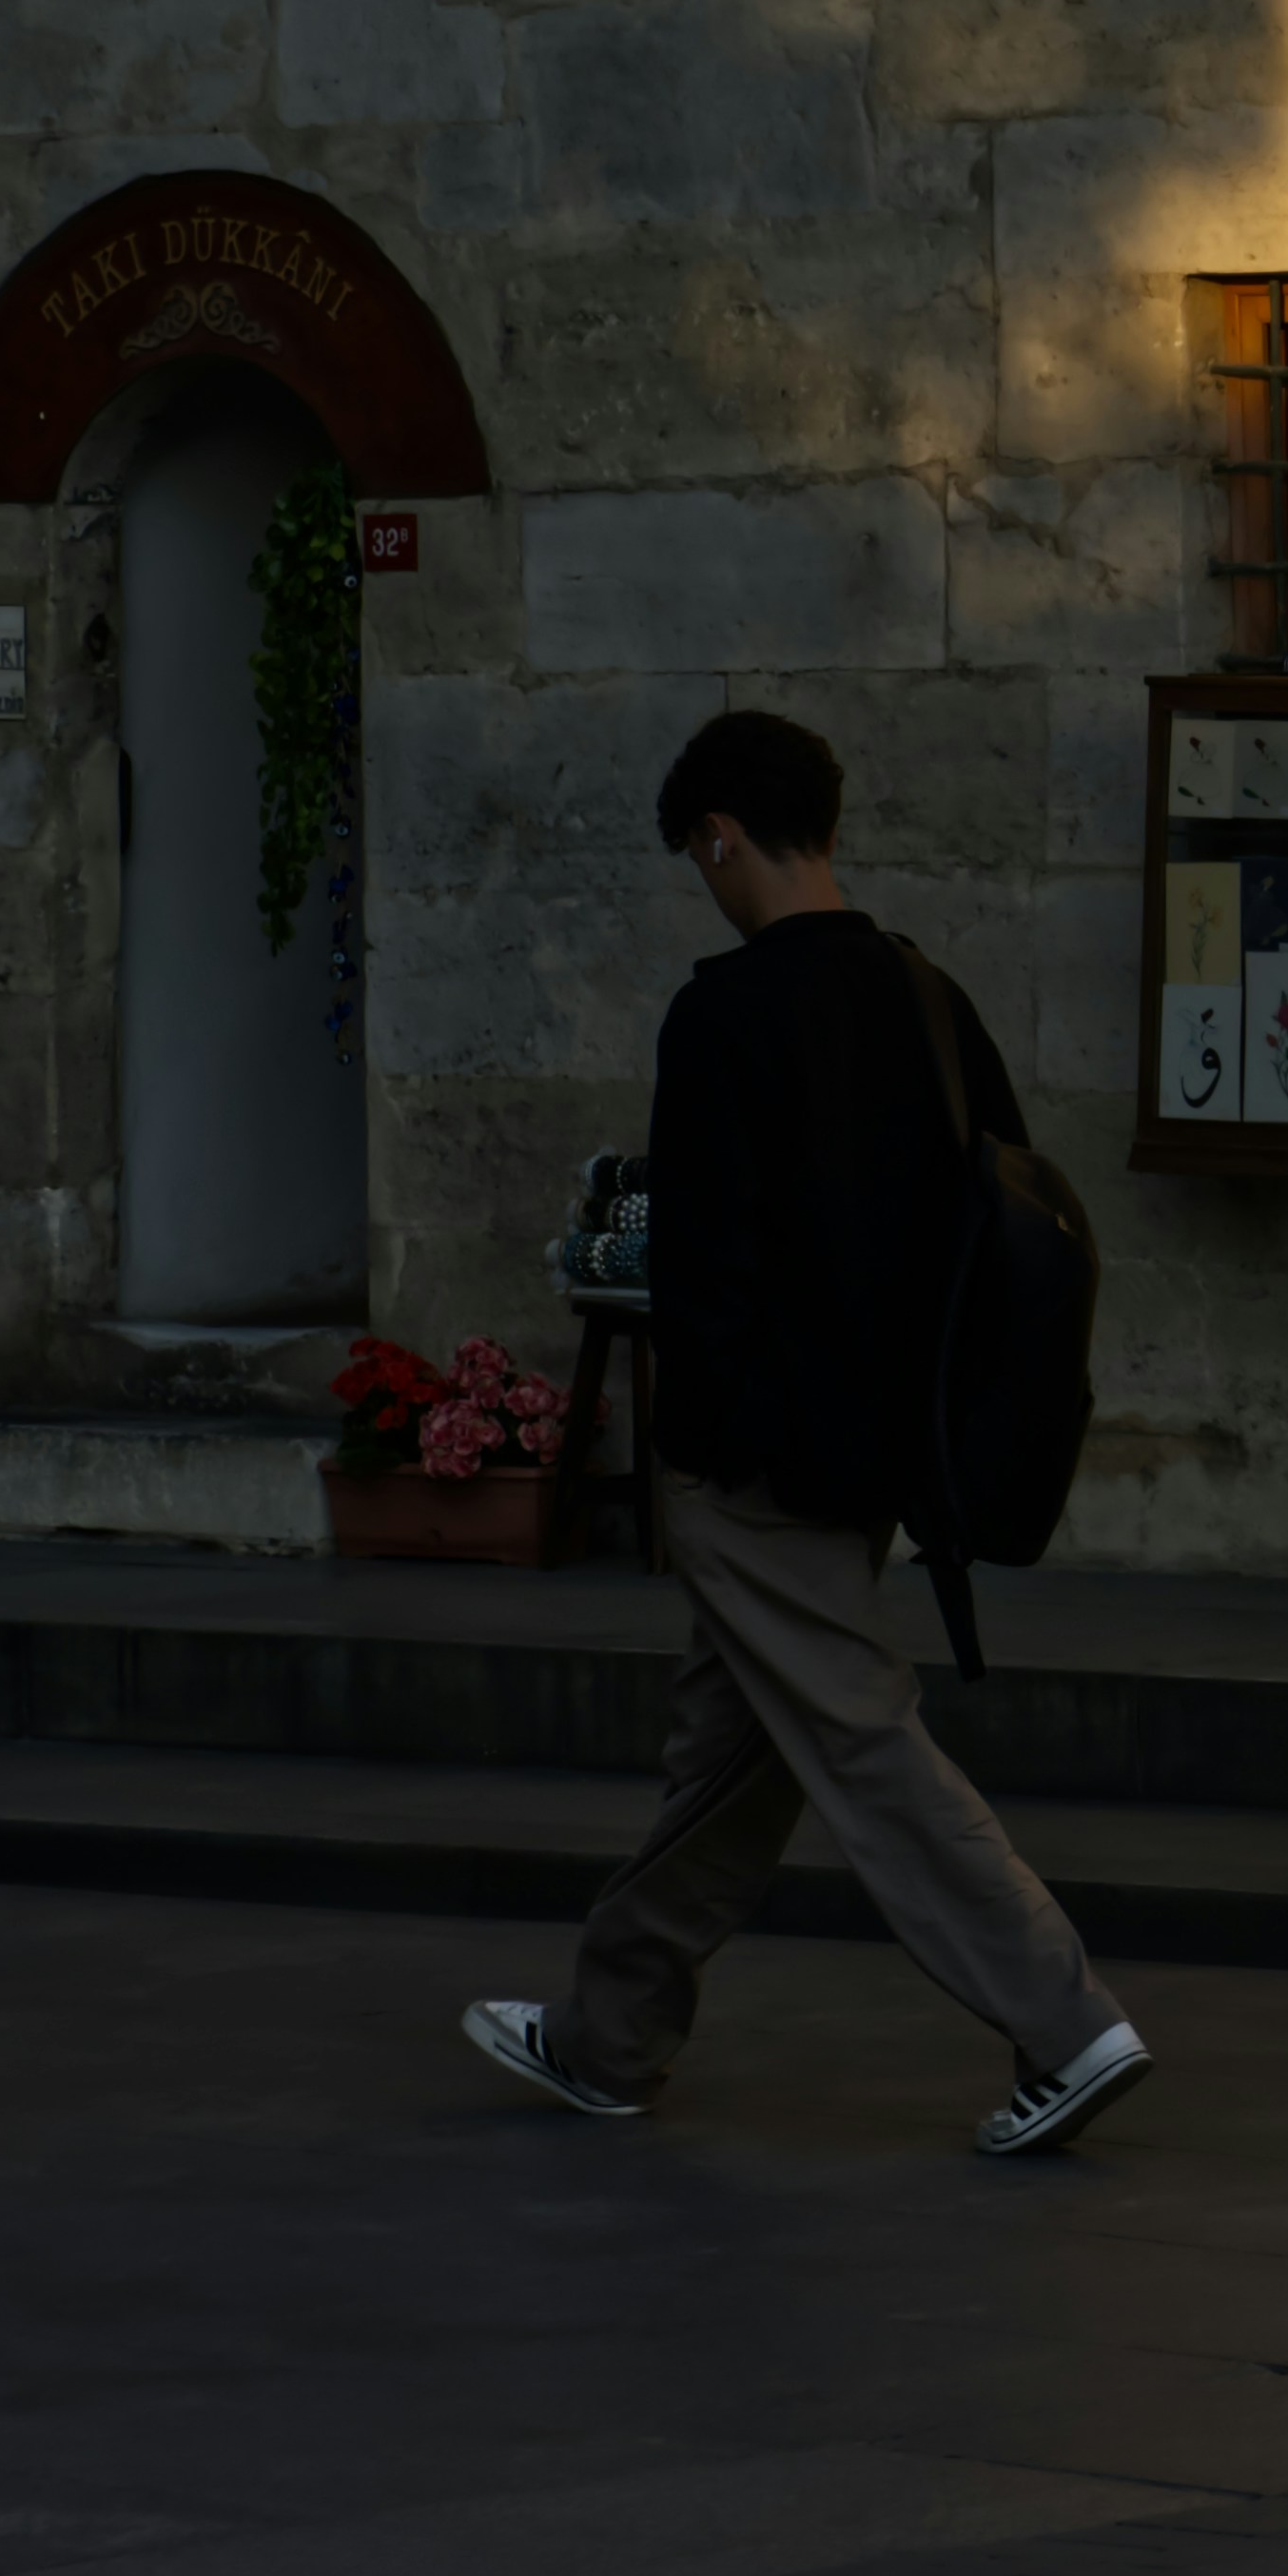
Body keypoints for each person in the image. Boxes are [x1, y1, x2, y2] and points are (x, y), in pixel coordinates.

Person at [460, 711, 1150, 2156]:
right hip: (877, 1461)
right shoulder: (927, 995)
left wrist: (697, 1443)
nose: (701, 878)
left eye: (695, 852)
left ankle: (1065, 2016)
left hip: (752, 1466)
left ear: (720, 833)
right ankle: (608, 2034)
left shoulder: (722, 1014)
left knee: (854, 1741)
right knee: (730, 1755)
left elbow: (703, 1272)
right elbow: (988, 1218)